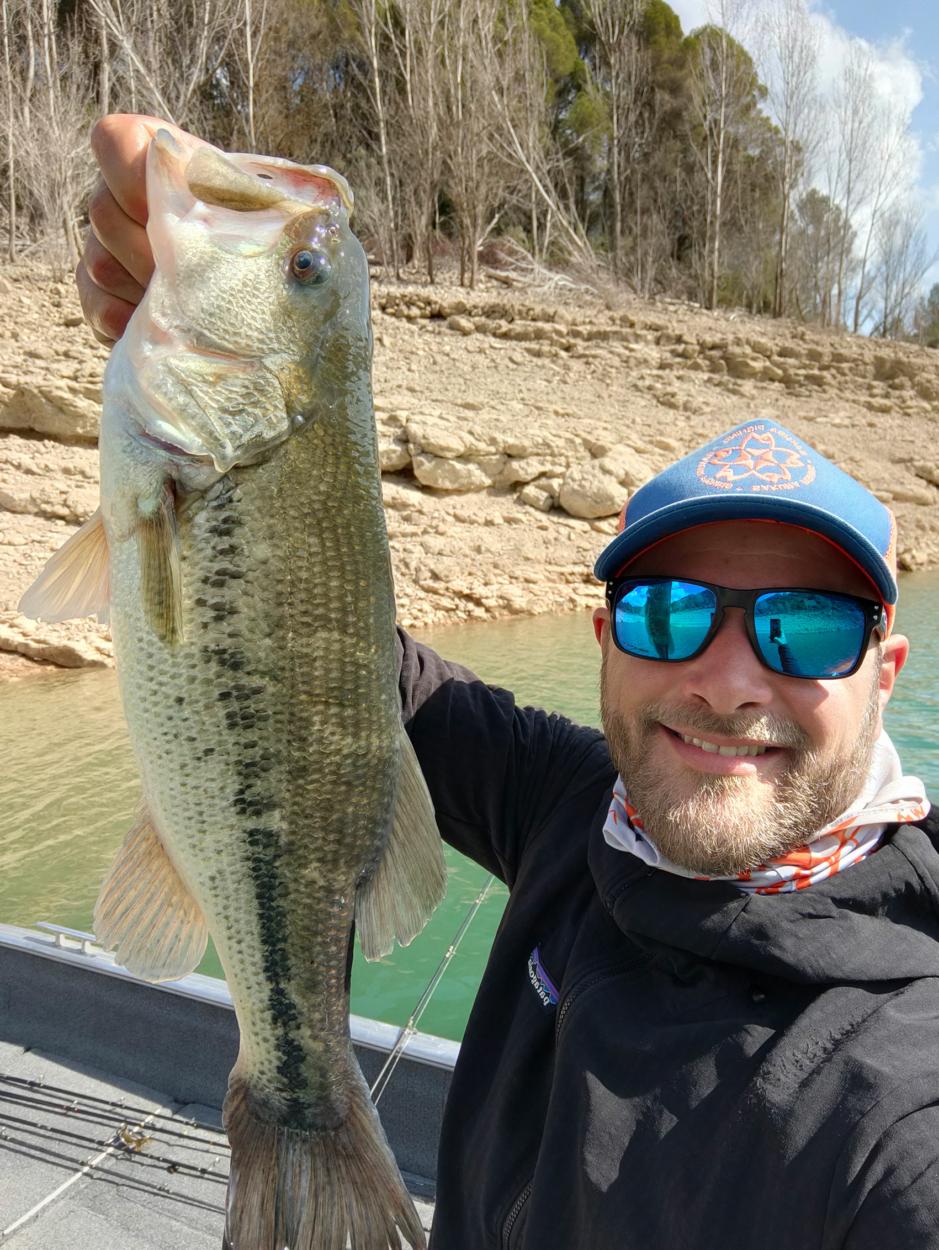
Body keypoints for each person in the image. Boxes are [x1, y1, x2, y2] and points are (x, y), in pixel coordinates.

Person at [79, 115, 939, 1250]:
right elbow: (327, 667)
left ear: (886, 669)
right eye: (670, 613)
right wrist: (190, 368)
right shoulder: (577, 806)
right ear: (606, 639)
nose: (729, 679)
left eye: (806, 628)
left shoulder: (897, 1105)